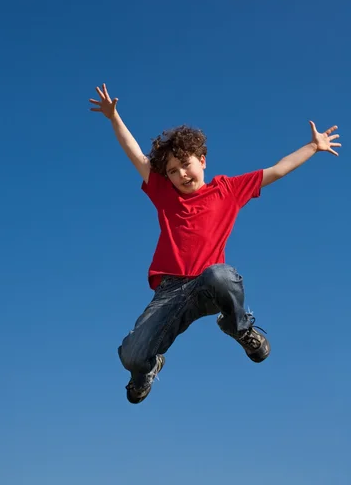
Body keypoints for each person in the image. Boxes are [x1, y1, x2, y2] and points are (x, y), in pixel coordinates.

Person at [89, 83, 341, 404]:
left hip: (209, 286)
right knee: (131, 355)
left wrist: (313, 146)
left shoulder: (228, 190)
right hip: (170, 291)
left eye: (186, 164)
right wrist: (114, 117)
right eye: (173, 171)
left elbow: (277, 170)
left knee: (221, 274)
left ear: (203, 160)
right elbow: (136, 155)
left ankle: (239, 327)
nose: (181, 174)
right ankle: (146, 370)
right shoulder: (164, 194)